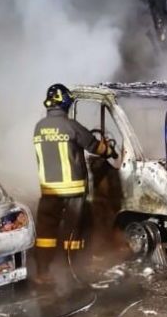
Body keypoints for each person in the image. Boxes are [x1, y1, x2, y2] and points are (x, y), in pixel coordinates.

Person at [32, 83, 116, 285]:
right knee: (73, 231)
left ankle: (43, 272)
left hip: (49, 190)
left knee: (46, 232)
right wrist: (110, 151)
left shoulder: (39, 127)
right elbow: (95, 147)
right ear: (66, 104)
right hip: (73, 190)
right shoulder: (70, 126)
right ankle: (73, 270)